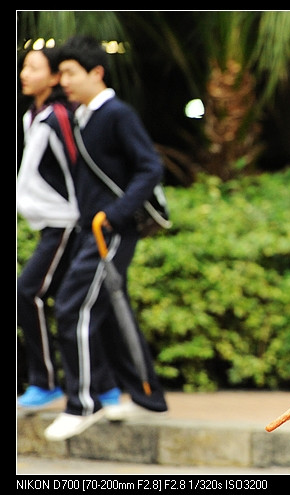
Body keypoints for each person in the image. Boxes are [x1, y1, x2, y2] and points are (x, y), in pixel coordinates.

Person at [42, 35, 168, 441]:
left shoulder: (116, 113)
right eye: (60, 73)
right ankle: (145, 396)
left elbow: (149, 168)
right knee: (109, 311)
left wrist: (111, 217)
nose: (63, 81)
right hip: (93, 229)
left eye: (70, 73)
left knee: (71, 308)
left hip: (109, 231)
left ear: (96, 72)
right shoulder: (82, 116)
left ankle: (83, 402)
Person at [16, 46, 121, 413]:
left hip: (66, 222)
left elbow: (80, 165)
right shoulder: (34, 115)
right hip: (51, 224)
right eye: (23, 67)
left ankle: (45, 382)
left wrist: (86, 213)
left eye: (33, 67)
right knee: (69, 304)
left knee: (28, 292)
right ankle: (105, 387)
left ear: (54, 77)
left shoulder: (60, 115)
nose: (24, 74)